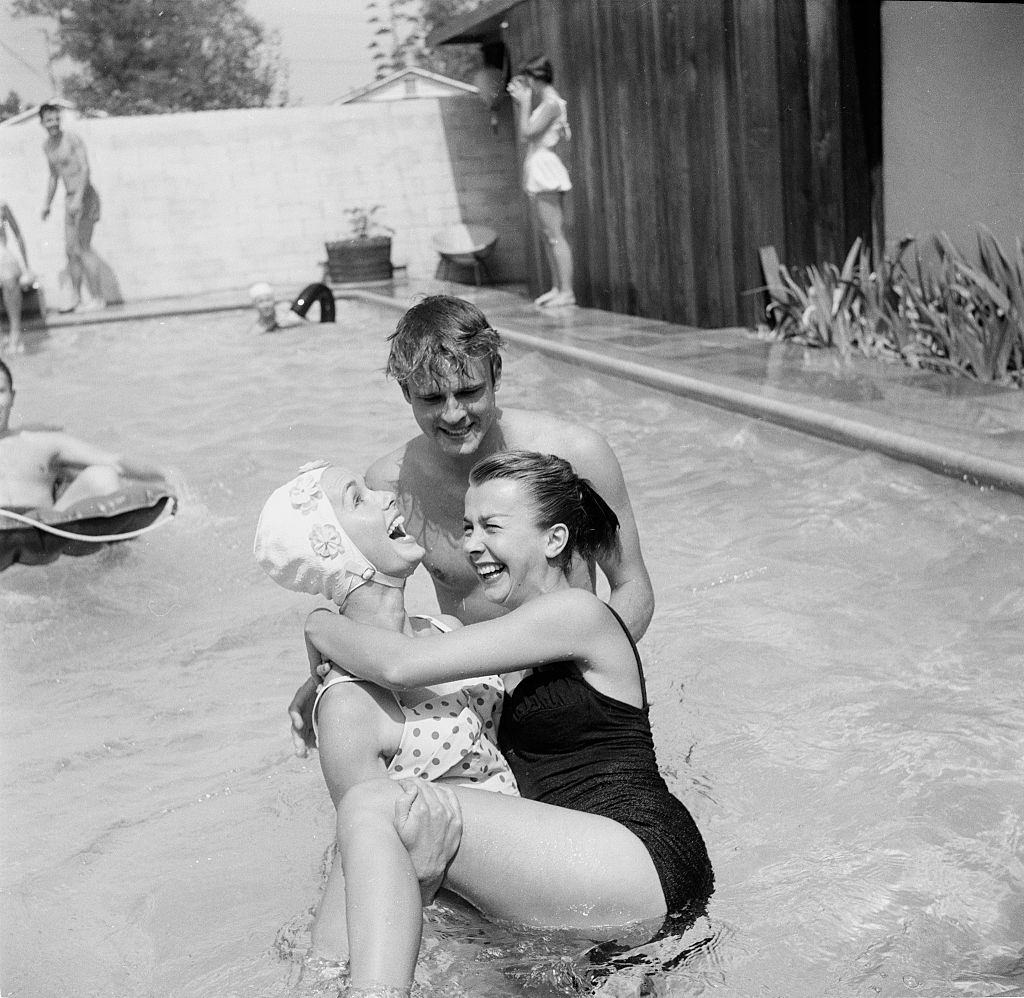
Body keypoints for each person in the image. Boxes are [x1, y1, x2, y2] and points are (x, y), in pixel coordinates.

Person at [303, 450, 714, 995]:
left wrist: (316, 623)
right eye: (468, 526)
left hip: (640, 856)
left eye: (492, 527)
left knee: (376, 805)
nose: (473, 545)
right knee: (364, 854)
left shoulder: (577, 614)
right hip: (580, 865)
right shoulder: (509, 638)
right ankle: (316, 982)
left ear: (554, 539)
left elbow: (398, 665)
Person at [287, 295, 654, 750]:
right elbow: (376, 608)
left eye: (468, 392)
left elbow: (632, 586)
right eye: (431, 398)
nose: (454, 414)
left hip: (575, 696)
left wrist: (588, 664)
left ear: (496, 375)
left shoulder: (575, 455)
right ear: (405, 395)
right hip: (476, 708)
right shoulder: (391, 484)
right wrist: (332, 678)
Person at [254, 460, 518, 969]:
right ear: (331, 549)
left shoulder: (439, 630)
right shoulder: (349, 705)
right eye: (359, 499)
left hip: (507, 883)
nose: (385, 496)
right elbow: (366, 860)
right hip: (452, 936)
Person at [0, 358, 167, 513]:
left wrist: (165, 474)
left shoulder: (41, 441)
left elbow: (115, 462)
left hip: (49, 532)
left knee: (103, 476)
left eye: (0, 391)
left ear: (12, 397)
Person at [508, 55, 575, 308]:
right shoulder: (547, 104)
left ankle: (567, 291)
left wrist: (524, 103)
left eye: (529, 81)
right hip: (538, 166)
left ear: (537, 78)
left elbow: (527, 133)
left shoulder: (551, 103)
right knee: (548, 234)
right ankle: (558, 287)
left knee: (555, 234)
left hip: (545, 169)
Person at [40, 103, 104, 312]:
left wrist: (78, 197)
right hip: (70, 200)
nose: (54, 123)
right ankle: (76, 298)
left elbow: (85, 168)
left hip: (85, 196)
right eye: (49, 120)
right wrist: (47, 204)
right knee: (70, 251)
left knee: (83, 247)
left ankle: (98, 298)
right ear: (42, 123)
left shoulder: (72, 139)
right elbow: (53, 176)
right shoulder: (47, 146)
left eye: (56, 119)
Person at [1, 201, 35, 355]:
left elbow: (18, 234)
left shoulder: (2, 206)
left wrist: (27, 265)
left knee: (9, 277)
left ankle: (15, 332)